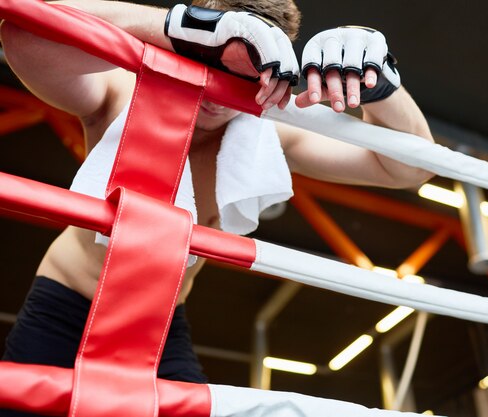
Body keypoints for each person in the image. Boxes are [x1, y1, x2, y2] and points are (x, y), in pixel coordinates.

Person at [0, 0, 434, 415]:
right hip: (66, 305)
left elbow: (408, 170)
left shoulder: (268, 132)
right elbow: (24, 31)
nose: (218, 91)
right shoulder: (125, 86)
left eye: (245, 75)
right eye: (213, 59)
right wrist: (181, 28)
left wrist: (382, 85)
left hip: (163, 325)